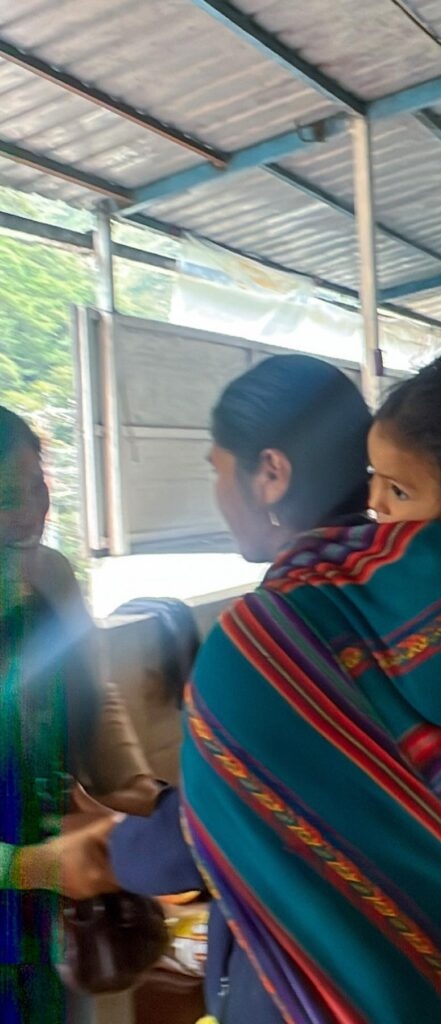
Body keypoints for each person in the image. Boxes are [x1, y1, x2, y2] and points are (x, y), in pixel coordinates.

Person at [66, 352, 441, 1023]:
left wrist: (108, 854)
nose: (218, 493)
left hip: (312, 998)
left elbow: (209, 832)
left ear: (270, 473)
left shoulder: (270, 643)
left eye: (218, 469)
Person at [0, 406, 159, 1023]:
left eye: (37, 489)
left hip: (59, 912)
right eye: (8, 500)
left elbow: (95, 692)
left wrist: (137, 789)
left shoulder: (52, 578)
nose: (33, 515)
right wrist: (31, 865)